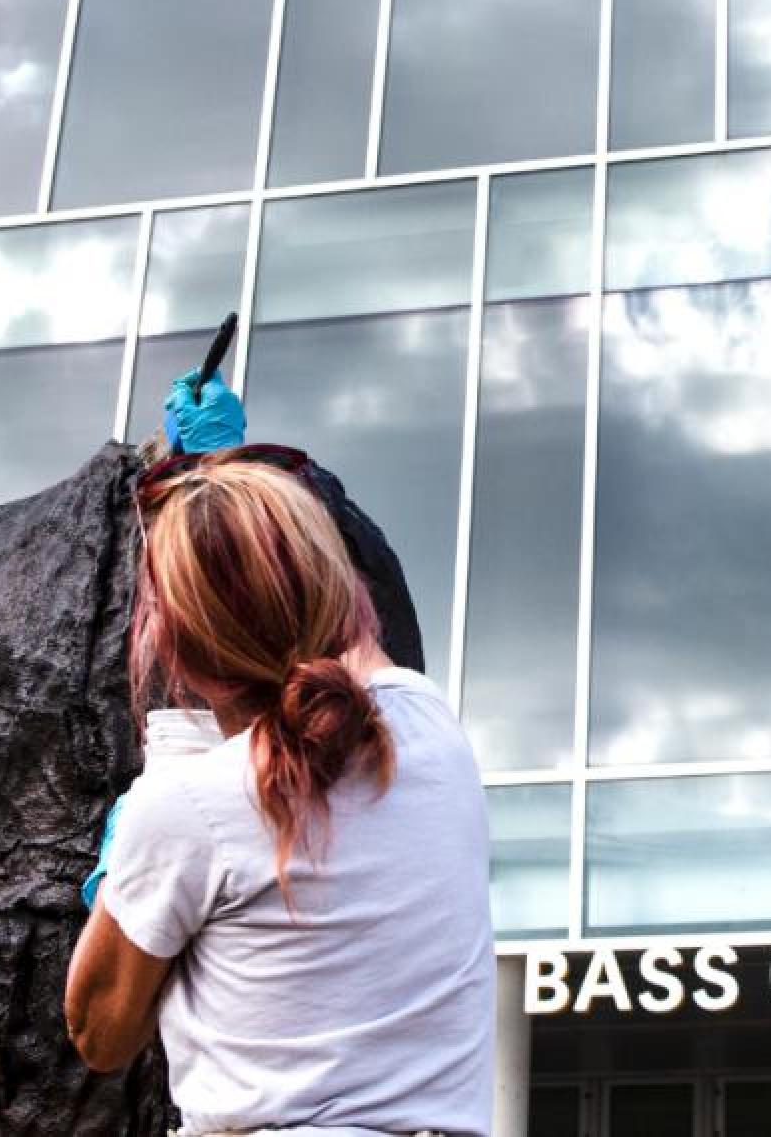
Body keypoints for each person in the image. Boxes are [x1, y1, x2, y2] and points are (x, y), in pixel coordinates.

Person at [64, 372, 493, 1137]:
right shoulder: (431, 726)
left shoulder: (186, 808)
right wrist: (232, 471)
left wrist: (122, 864)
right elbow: (338, 616)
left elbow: (101, 1033)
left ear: (182, 657)